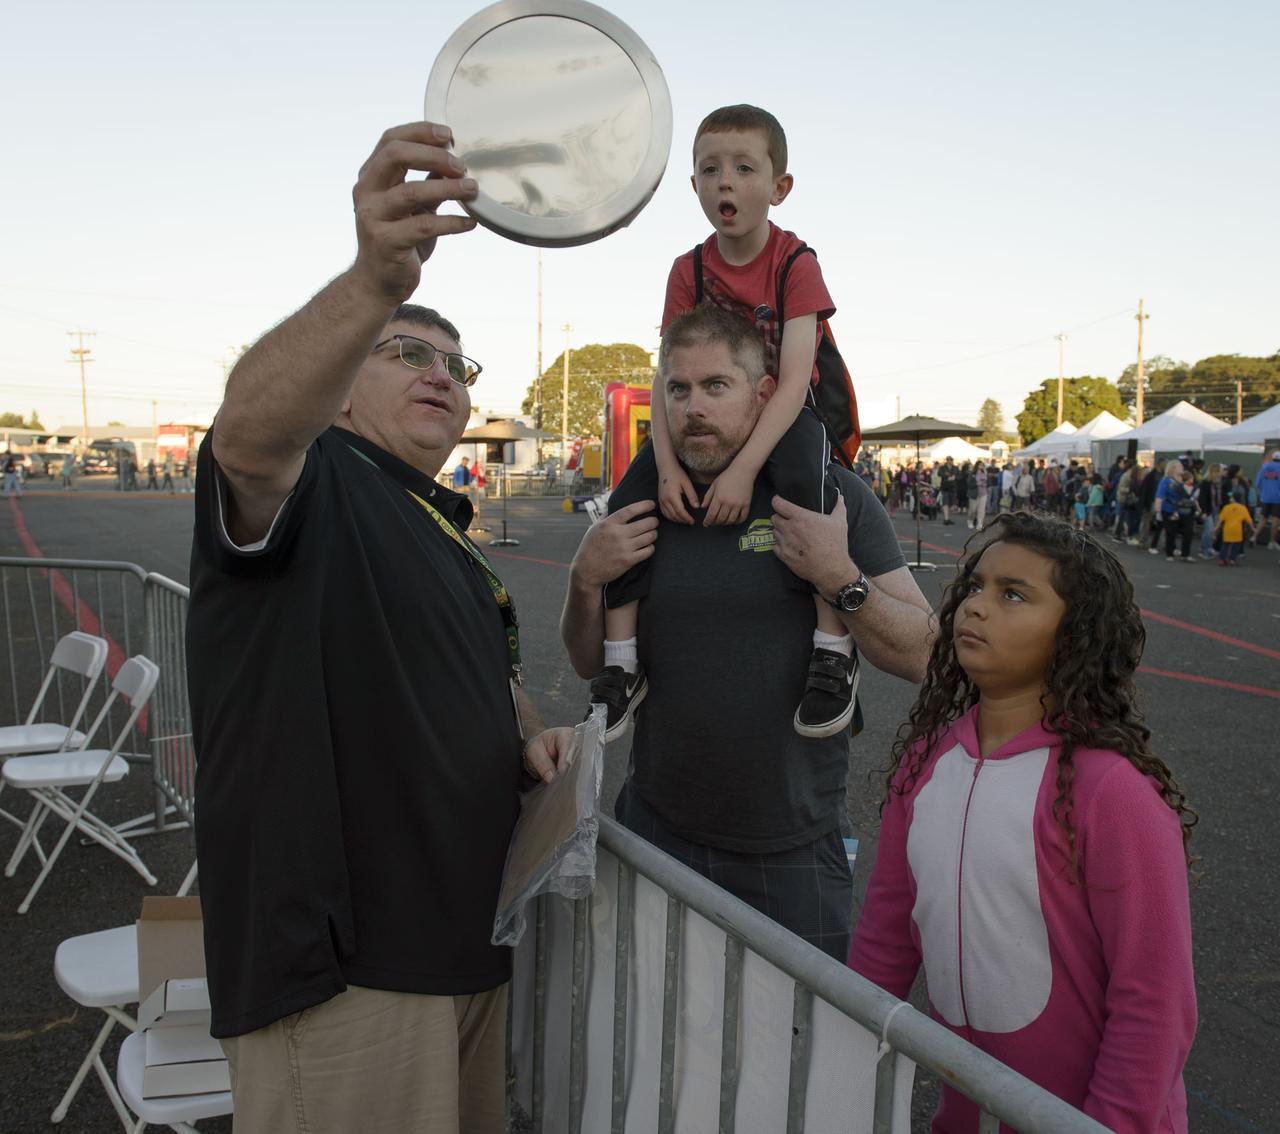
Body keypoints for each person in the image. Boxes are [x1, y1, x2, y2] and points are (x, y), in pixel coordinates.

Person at [186, 120, 575, 1134]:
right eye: (404, 350)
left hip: (456, 948)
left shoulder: (433, 523)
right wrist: (373, 280)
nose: (441, 374)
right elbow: (245, 437)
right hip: (347, 977)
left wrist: (522, 726)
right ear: (345, 377)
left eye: (457, 363)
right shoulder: (316, 479)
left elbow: (447, 672)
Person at [561, 304, 935, 960]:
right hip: (658, 830)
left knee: (796, 1051)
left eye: (715, 386)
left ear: (763, 393)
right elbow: (586, 656)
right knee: (661, 1045)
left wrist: (841, 577)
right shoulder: (643, 506)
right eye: (677, 389)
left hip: (792, 846)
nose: (693, 407)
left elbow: (924, 652)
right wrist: (583, 579)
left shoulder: (829, 494)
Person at [849, 512, 1197, 1132]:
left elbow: (1156, 1000)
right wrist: (841, 1051)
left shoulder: (1111, 791)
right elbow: (886, 934)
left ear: (1075, 634)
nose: (976, 607)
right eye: (975, 587)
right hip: (968, 1115)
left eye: (1013, 595)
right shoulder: (926, 762)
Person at [592, 104, 856, 741]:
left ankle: (832, 649)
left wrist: (740, 473)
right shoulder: (690, 269)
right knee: (625, 504)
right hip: (714, 406)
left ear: (779, 187)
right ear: (693, 186)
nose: (725, 182)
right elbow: (666, 376)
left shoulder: (796, 263)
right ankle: (622, 664)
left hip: (786, 407)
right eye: (709, 170)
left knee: (807, 490)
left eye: (743, 168)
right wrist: (661, 465)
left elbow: (793, 381)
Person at [1215, 488, 1253, 566]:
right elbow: (1249, 520)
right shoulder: (1243, 508)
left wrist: (1216, 527)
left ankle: (1223, 560)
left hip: (1227, 529)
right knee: (1236, 544)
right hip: (1237, 530)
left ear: (1234, 498)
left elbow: (1221, 519)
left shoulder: (1226, 507)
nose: (1230, 499)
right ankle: (1233, 559)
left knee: (1225, 544)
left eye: (1231, 497)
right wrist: (1253, 528)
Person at [1255, 449, 1280, 549]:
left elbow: (1258, 484)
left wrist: (1263, 493)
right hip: (1278, 498)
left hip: (1265, 497)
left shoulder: (1264, 468)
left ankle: (1254, 537)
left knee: (1263, 519)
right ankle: (1272, 541)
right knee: (1275, 520)